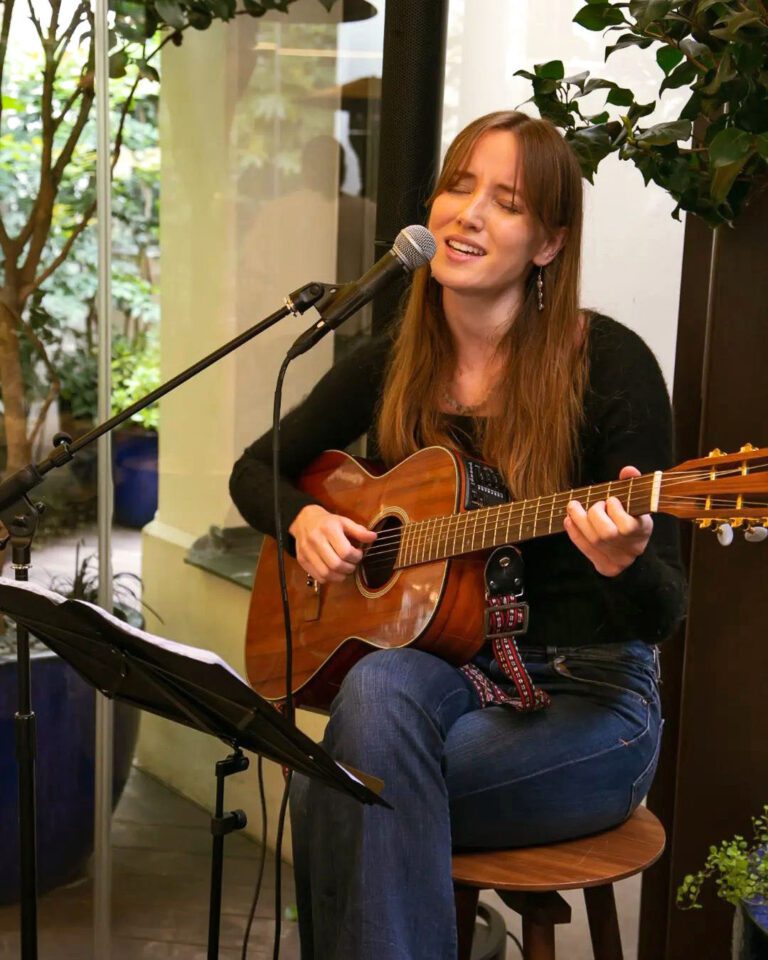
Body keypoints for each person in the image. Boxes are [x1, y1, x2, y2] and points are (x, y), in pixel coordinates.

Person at [229, 110, 687, 960]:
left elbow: (662, 608)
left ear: (547, 244)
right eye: (458, 185)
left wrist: (624, 561)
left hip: (590, 705)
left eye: (506, 202)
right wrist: (306, 521)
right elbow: (254, 470)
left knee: (341, 787)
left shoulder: (610, 367)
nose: (468, 213)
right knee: (373, 700)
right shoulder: (389, 362)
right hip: (451, 685)